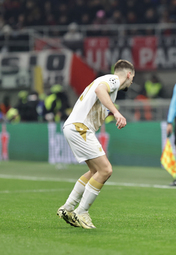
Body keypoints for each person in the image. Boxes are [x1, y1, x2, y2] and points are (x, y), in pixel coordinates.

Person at [57, 59, 135, 229]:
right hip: (80, 128)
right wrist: (116, 113)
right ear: (128, 74)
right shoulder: (112, 80)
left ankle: (68, 207)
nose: (132, 81)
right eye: (133, 77)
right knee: (106, 170)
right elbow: (101, 90)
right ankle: (81, 212)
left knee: (95, 171)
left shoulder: (104, 81)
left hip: (75, 127)